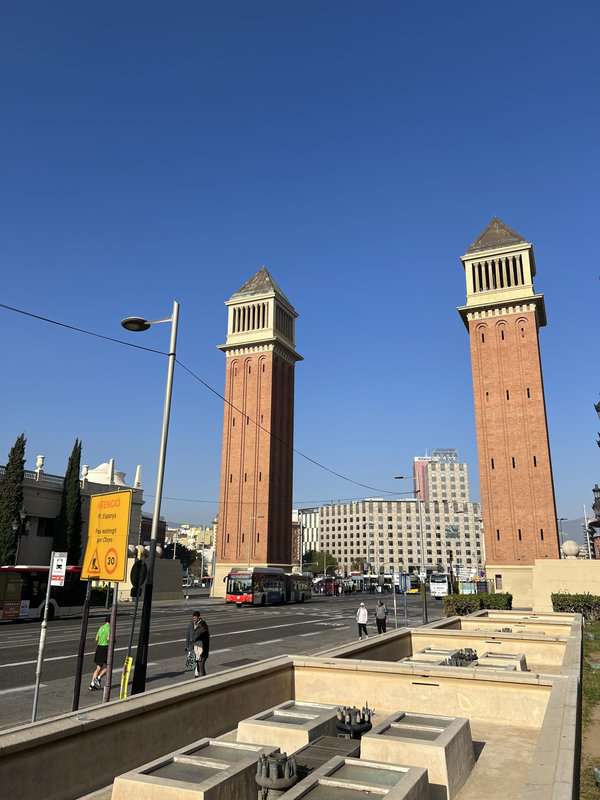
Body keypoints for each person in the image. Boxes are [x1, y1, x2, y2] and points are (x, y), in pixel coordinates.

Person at [186, 611, 210, 677]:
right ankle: (200, 677)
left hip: (203, 648)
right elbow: (188, 635)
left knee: (201, 664)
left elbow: (198, 635)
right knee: (198, 664)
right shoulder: (192, 624)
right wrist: (188, 646)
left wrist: (196, 628)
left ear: (199, 617)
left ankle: (202, 680)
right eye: (193, 618)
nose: (194, 619)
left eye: (195, 618)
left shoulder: (203, 624)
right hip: (197, 648)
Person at [89, 616, 110, 691]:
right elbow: (108, 639)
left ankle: (92, 685)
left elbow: (96, 638)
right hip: (105, 648)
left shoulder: (101, 627)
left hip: (99, 647)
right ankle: (98, 678)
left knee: (98, 668)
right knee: (109, 666)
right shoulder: (110, 628)